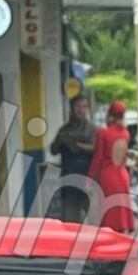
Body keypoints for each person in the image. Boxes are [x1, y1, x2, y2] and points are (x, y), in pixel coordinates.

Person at [88, 100, 136, 233]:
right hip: (122, 175)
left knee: (109, 212)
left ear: (110, 114)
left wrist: (89, 179)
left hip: (108, 176)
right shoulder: (125, 133)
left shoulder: (104, 133)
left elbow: (97, 159)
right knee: (121, 211)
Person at [49, 94, 97, 223]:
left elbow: (96, 149)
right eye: (78, 106)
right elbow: (53, 150)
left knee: (94, 217)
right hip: (69, 178)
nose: (81, 109)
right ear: (71, 109)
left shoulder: (92, 129)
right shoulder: (64, 130)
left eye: (84, 106)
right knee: (71, 219)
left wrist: (77, 145)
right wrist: (61, 140)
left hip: (88, 178)